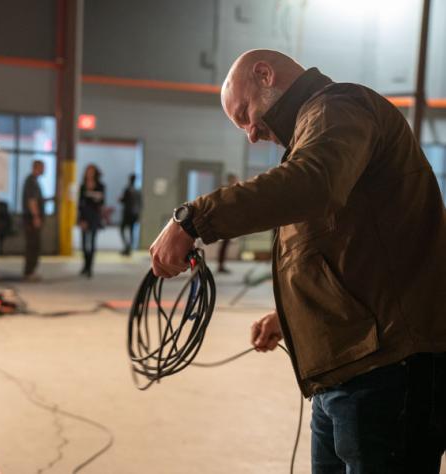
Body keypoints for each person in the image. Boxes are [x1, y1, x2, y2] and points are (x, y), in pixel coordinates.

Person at [149, 49, 446, 473]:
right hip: (349, 369)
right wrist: (288, 314)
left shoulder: (340, 107)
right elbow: (342, 245)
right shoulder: (316, 131)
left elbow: (314, 185)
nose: (251, 133)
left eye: (245, 114)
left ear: (265, 74)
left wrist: (194, 219)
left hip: (388, 371)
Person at [78, 164, 105, 278]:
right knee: (84, 243)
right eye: (88, 171)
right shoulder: (83, 186)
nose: (89, 173)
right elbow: (80, 204)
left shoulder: (100, 186)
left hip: (94, 216)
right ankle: (85, 265)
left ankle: (90, 268)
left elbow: (102, 202)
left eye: (91, 171)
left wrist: (96, 198)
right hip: (84, 216)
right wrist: (81, 219)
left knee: (92, 242)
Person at [22, 160, 45, 281]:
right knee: (33, 246)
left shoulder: (34, 181)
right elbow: (32, 201)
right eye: (42, 167)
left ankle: (30, 271)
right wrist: (36, 217)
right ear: (37, 167)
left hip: (31, 218)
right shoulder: (31, 181)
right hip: (31, 220)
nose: (44, 170)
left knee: (34, 245)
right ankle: (29, 272)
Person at [217, 173, 238, 273]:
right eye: (235, 179)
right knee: (224, 244)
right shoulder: (226, 191)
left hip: (228, 221)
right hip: (224, 221)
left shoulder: (232, 190)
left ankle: (221, 265)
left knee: (225, 244)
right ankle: (220, 265)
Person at [119, 173, 142, 256]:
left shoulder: (127, 189)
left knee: (122, 229)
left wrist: (120, 199)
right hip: (134, 214)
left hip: (127, 213)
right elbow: (140, 204)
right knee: (131, 231)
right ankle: (129, 247)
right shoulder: (138, 191)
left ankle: (127, 246)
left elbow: (123, 200)